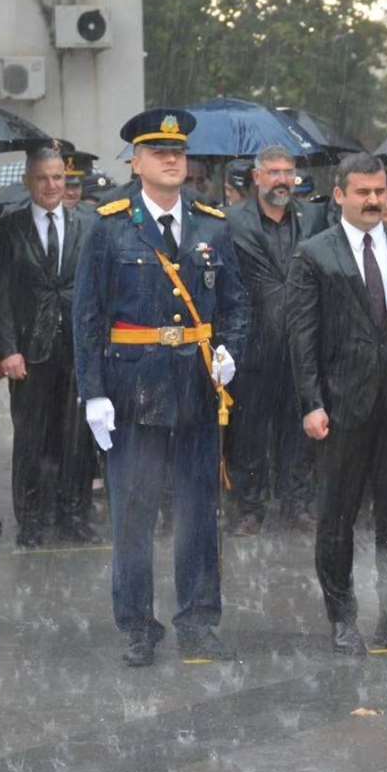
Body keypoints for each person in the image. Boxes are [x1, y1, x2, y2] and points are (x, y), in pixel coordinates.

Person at [74, 108, 249, 667]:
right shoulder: (109, 225)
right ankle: (137, 624)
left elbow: (239, 306)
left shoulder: (213, 224)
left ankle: (198, 619)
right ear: (137, 161)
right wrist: (93, 392)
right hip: (133, 386)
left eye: (177, 151)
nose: (171, 159)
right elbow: (87, 315)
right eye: (157, 151)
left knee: (200, 509)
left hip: (196, 387)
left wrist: (230, 353)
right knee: (134, 510)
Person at [286, 152, 387, 655]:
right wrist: (312, 403)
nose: (374, 200)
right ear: (339, 195)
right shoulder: (315, 255)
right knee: (337, 518)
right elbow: (302, 338)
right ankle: (342, 618)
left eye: (380, 192)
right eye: (363, 192)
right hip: (341, 409)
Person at [0, 144, 97, 547]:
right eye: (43, 178)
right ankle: (32, 518)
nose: (52, 186)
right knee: (32, 436)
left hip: (76, 347)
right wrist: (8, 348)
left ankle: (73, 513)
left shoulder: (85, 223)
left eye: (58, 178)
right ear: (27, 181)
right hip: (29, 349)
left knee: (76, 435)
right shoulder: (8, 227)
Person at [225, 145, 328, 536]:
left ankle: (296, 502)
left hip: (302, 344)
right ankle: (249, 507)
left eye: (288, 172)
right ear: (257, 178)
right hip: (253, 342)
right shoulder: (231, 222)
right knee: (249, 429)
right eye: (274, 172)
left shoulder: (314, 218)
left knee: (299, 428)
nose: (283, 179)